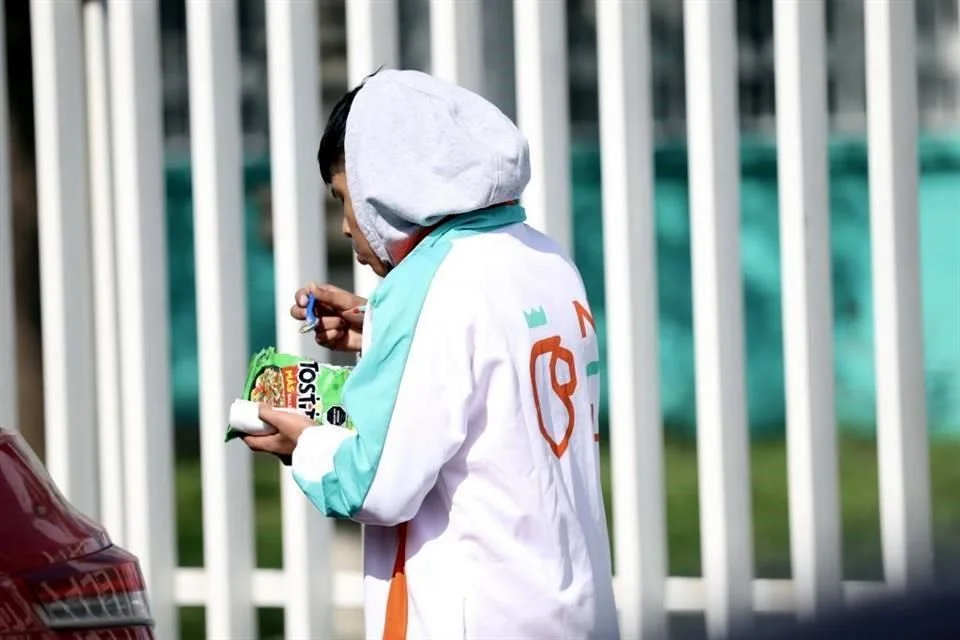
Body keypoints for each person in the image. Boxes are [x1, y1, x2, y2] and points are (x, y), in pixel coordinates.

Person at [243, 69, 620, 640]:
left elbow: (376, 485)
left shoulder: (431, 281)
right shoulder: (545, 258)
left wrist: (304, 444)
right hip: (573, 609)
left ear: (390, 184)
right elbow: (492, 364)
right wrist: (381, 330)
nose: (347, 227)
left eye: (347, 199)